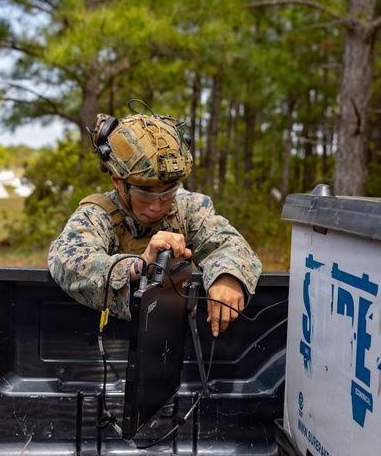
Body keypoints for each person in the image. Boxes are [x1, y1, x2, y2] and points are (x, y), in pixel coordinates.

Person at [49, 110, 262, 337]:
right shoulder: (98, 215)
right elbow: (68, 262)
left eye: (169, 190)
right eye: (145, 193)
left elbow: (227, 243)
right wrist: (140, 265)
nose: (157, 205)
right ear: (118, 182)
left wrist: (226, 277)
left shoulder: (187, 208)